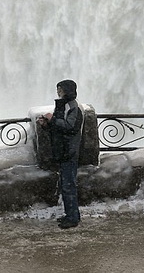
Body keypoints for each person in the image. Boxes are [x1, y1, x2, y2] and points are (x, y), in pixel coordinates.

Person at [38, 79, 83, 229]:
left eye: (61, 89)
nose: (58, 92)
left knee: (69, 185)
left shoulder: (73, 107)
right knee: (66, 185)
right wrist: (47, 124)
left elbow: (70, 127)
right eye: (58, 89)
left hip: (69, 151)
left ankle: (72, 218)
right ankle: (71, 214)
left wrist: (53, 119)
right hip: (63, 150)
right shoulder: (63, 106)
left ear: (68, 90)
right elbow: (58, 128)